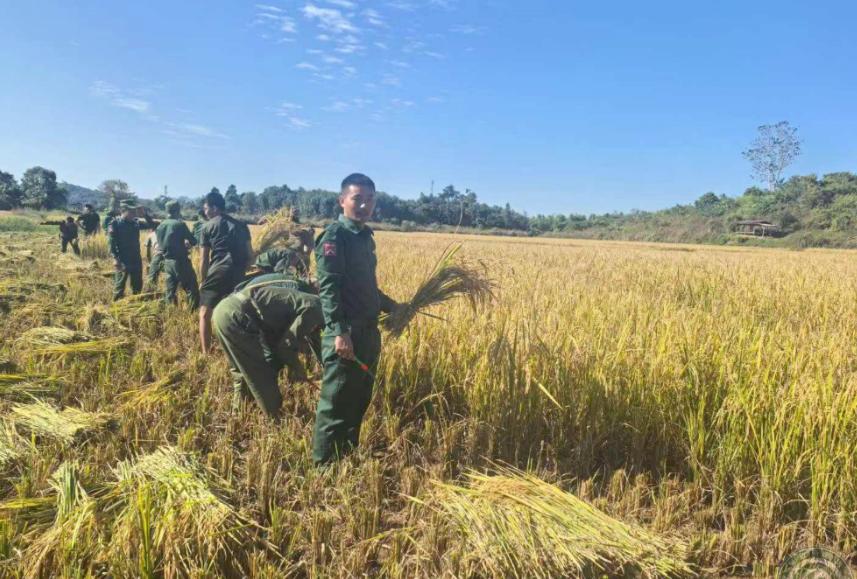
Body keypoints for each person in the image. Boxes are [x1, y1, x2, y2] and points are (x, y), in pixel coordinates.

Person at [312, 173, 399, 466]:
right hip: (345, 333)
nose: (364, 205)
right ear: (342, 201)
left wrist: (393, 307)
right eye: (357, 199)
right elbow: (329, 287)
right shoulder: (335, 236)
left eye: (370, 199)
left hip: (368, 333)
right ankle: (323, 468)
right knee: (335, 403)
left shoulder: (364, 237)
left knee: (359, 398)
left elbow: (365, 286)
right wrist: (339, 331)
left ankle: (345, 457)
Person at [212, 284, 323, 417]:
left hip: (223, 312)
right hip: (238, 316)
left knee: (241, 372)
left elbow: (312, 339)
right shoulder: (316, 307)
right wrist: (299, 370)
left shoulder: (308, 300)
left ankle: (237, 414)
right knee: (262, 373)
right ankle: (275, 419)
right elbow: (286, 347)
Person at [198, 190, 252, 354]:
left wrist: (203, 280)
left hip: (217, 272)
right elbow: (251, 256)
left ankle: (206, 353)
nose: (205, 212)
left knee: (204, 313)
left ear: (214, 208)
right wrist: (243, 269)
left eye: (206, 208)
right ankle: (238, 350)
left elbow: (203, 259)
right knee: (236, 312)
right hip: (238, 274)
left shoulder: (207, 226)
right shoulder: (242, 226)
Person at [155, 201, 200, 309]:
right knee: (192, 288)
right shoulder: (179, 224)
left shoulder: (161, 225)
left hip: (167, 262)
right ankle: (192, 312)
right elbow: (193, 241)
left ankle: (170, 311)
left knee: (170, 291)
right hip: (180, 262)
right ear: (178, 211)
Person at [108, 201, 155, 301]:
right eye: (131, 211)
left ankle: (135, 303)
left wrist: (145, 214)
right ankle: (115, 304)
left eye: (135, 211)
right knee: (120, 285)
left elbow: (152, 225)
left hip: (136, 258)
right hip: (122, 258)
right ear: (123, 211)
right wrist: (115, 258)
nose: (134, 213)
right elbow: (112, 243)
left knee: (137, 285)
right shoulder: (115, 223)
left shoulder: (136, 223)